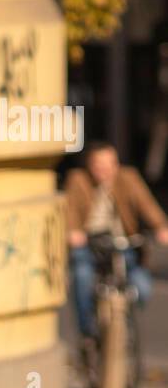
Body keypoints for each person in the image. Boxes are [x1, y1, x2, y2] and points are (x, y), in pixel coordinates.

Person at [66, 141, 168, 364]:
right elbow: (71, 210)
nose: (104, 169)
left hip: (122, 242)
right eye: (98, 164)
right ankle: (89, 332)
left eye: (109, 163)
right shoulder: (78, 179)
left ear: (116, 164)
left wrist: (161, 227)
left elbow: (146, 204)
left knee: (142, 285)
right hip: (90, 244)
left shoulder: (127, 178)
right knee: (83, 276)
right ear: (89, 165)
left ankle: (122, 321)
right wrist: (74, 232)